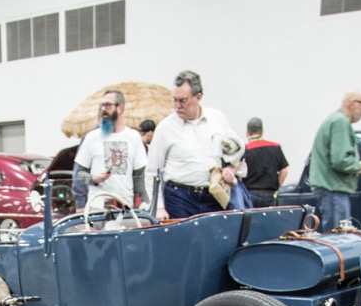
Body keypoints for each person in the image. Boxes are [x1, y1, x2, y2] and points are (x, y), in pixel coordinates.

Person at [148, 71, 242, 221]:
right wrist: (158, 207)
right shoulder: (165, 128)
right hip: (179, 198)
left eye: (183, 100)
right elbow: (152, 171)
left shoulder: (218, 119)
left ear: (198, 97)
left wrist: (231, 169)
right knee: (184, 243)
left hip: (214, 195)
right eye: (174, 100)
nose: (177, 106)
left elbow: (238, 151)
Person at [309, 89, 361, 231]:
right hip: (333, 191)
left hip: (331, 190)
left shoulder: (335, 120)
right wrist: (360, 166)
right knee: (338, 239)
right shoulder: (340, 122)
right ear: (351, 103)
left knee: (336, 236)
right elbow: (340, 160)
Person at [74, 89, 148, 211]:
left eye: (107, 105)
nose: (103, 109)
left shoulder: (133, 137)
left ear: (120, 108)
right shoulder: (91, 137)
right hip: (96, 208)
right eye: (102, 105)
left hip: (125, 208)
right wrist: (94, 179)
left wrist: (146, 203)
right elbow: (79, 174)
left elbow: (140, 176)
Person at [241, 117, 289, 208]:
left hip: (250, 194)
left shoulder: (245, 150)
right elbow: (284, 171)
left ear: (247, 133)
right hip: (269, 194)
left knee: (252, 221)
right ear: (262, 132)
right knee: (269, 221)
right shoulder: (275, 147)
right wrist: (277, 187)